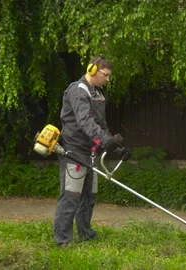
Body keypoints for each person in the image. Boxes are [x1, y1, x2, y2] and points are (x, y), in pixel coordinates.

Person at [53, 56, 131, 247]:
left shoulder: (97, 94)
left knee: (89, 197)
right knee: (70, 197)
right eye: (105, 75)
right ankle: (63, 240)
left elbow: (101, 125)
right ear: (92, 70)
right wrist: (104, 141)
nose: (107, 79)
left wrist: (117, 149)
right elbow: (85, 121)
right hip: (74, 152)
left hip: (91, 153)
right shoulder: (77, 91)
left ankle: (85, 234)